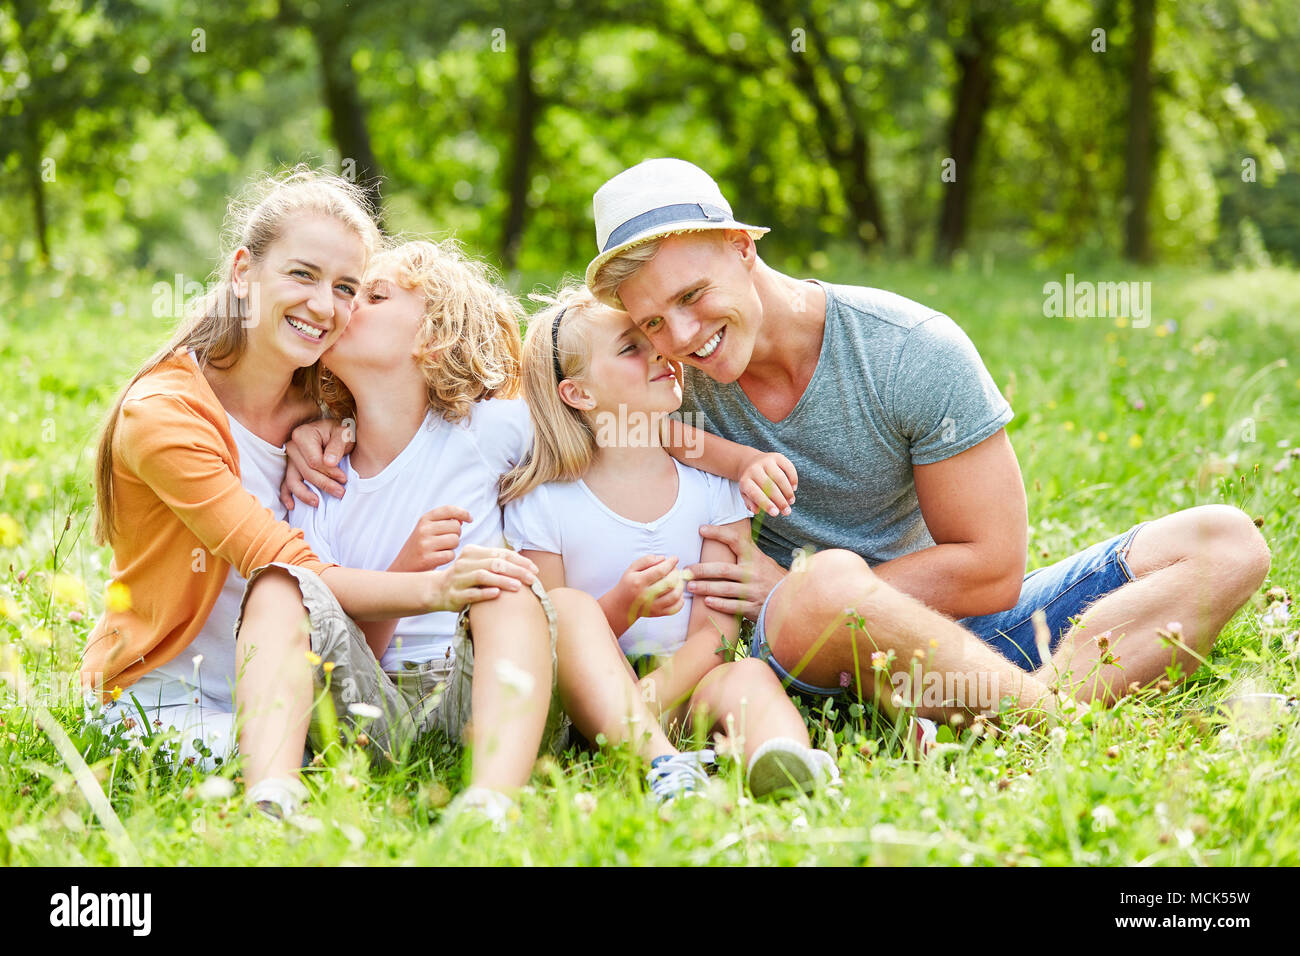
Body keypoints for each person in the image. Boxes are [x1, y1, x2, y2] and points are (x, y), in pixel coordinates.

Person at [584, 157, 1272, 719]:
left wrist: (811, 589)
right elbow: (540, 403)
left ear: (741, 247)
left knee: (1226, 542)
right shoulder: (661, 388)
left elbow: (995, 567)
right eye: (649, 323)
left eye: (691, 296)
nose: (679, 338)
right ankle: (1046, 716)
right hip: (799, 639)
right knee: (822, 590)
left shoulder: (908, 349)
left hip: (950, 632)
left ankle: (1032, 706)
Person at [83, 168, 543, 820]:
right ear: (243, 273)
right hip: (175, 693)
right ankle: (273, 789)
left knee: (313, 737)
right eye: (301, 275)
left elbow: (437, 415)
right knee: (281, 594)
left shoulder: (323, 410)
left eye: (348, 288)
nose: (326, 306)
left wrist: (331, 424)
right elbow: (297, 572)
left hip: (306, 682)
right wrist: (432, 585)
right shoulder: (164, 415)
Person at [284, 239, 725, 812]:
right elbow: (344, 648)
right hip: (375, 709)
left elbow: (615, 419)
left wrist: (739, 464)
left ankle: (493, 802)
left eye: (372, 295)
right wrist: (406, 573)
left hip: (492, 684)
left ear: (431, 337)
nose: (345, 306)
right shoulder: (320, 483)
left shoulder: (486, 431)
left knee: (509, 583)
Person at [498, 285, 839, 797]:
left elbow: (716, 636)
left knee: (746, 675)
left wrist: (645, 701)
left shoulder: (716, 490)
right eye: (630, 347)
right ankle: (666, 769)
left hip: (689, 689)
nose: (661, 353)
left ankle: (785, 761)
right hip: (593, 707)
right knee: (565, 607)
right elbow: (550, 641)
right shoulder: (544, 504)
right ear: (579, 394)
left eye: (653, 338)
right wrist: (622, 607)